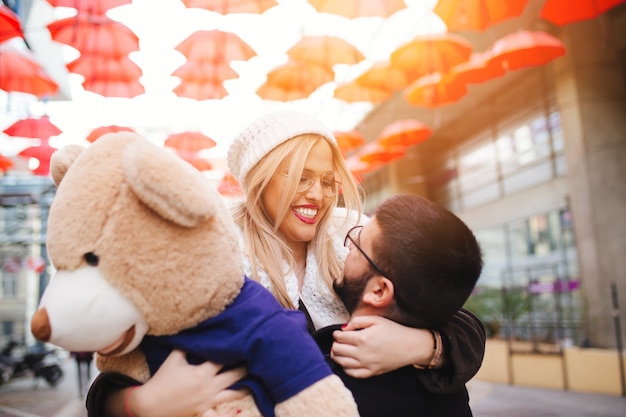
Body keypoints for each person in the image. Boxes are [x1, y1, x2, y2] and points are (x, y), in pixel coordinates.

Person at [86, 110, 486, 416]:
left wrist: (420, 346)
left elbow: (445, 304)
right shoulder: (208, 247)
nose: (318, 194)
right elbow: (118, 370)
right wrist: (142, 404)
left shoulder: (351, 235)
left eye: (328, 181)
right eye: (299, 176)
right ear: (260, 178)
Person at [315, 193, 484, 416]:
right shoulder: (446, 381)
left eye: (357, 243)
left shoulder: (323, 385)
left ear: (379, 291)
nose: (347, 248)